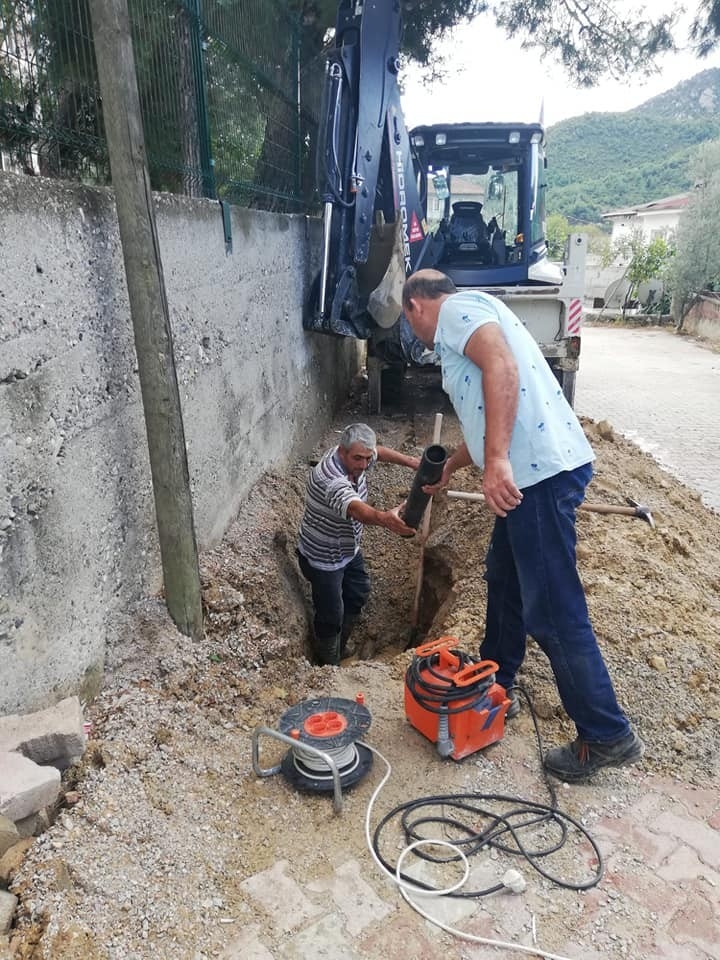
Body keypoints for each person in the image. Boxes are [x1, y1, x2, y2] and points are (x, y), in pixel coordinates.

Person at [401, 269, 644, 782]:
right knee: (504, 580)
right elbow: (489, 408)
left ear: (415, 306)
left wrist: (496, 462)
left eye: (409, 322)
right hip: (535, 474)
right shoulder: (475, 310)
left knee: (552, 610)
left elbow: (502, 369)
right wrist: (456, 465)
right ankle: (496, 683)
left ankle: (605, 734)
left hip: (538, 477)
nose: (416, 334)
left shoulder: (456, 312)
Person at [297, 423, 419, 666]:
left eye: (367, 458)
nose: (364, 465)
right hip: (323, 558)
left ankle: (340, 645)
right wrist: (386, 519)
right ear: (342, 451)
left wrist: (412, 462)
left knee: (358, 592)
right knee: (331, 615)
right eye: (358, 458)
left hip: (347, 548)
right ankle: (328, 663)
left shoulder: (357, 457)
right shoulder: (330, 478)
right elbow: (356, 510)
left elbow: (378, 452)